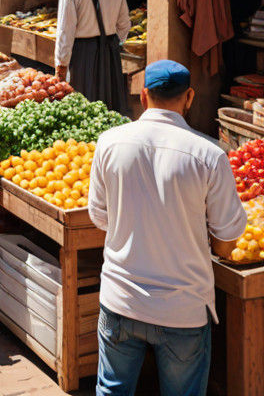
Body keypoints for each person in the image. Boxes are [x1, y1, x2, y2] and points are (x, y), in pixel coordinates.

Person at [89, 60, 247, 396]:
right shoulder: (209, 155)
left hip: (121, 301)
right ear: (189, 97)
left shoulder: (109, 142)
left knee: (112, 391)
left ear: (143, 96)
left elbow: (101, 218)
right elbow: (226, 242)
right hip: (183, 310)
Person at [55, 0, 131, 113]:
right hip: (110, 50)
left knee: (83, 109)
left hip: (83, 53)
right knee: (109, 107)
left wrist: (61, 65)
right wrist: (112, 42)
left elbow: (65, 30)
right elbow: (124, 24)